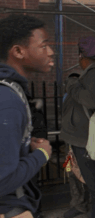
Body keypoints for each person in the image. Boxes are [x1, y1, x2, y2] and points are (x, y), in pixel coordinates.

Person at [0, 15, 53, 218]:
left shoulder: (12, 92)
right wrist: (42, 154)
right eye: (43, 46)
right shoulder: (8, 101)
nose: (50, 52)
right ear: (19, 51)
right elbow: (3, 180)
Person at [60, 37, 95, 218]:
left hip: (86, 142)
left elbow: (94, 100)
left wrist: (71, 85)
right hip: (81, 140)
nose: (78, 60)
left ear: (86, 56)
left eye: (80, 55)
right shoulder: (94, 72)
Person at [62, 73, 91, 218]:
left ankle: (82, 204)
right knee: (71, 172)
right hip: (70, 143)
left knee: (81, 173)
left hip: (79, 142)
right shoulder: (68, 98)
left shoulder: (80, 98)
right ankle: (78, 203)